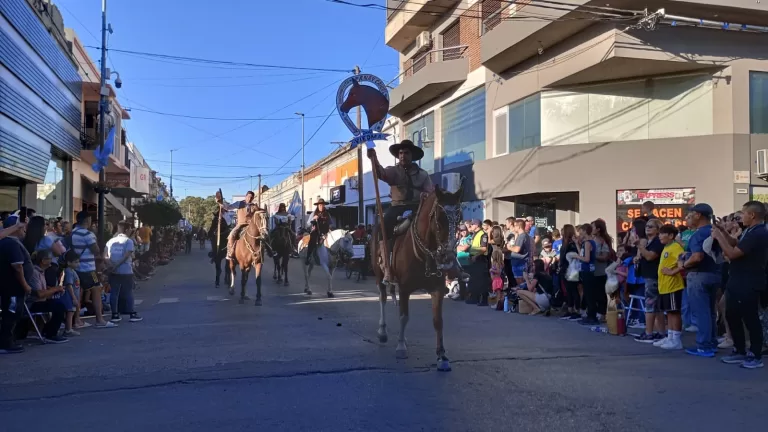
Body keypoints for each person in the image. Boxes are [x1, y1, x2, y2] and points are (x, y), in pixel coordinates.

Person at [367, 139, 434, 284]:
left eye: (406, 153)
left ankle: (441, 265)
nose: (403, 155)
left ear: (412, 155)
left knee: (435, 226)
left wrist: (427, 195)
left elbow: (430, 191)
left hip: (418, 207)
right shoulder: (393, 171)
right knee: (382, 228)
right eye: (401, 153)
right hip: (397, 207)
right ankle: (386, 268)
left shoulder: (423, 174)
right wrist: (374, 158)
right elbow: (380, 173)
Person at [712, 201, 767, 369]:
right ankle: (739, 350)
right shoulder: (748, 231)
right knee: (732, 315)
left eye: (743, 214)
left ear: (752, 215)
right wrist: (723, 231)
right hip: (737, 280)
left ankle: (755, 354)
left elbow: (732, 253)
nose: (740, 217)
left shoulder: (758, 233)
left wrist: (718, 237)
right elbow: (736, 244)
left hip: (749, 281)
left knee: (750, 318)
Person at [679, 203, 721, 357]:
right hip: (714, 273)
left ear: (698, 215)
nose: (689, 217)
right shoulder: (714, 231)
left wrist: (684, 264)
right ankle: (711, 343)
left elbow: (697, 256)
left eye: (691, 214)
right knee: (710, 312)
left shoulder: (698, 234)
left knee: (702, 312)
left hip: (699, 275)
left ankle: (704, 345)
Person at [71, 211, 116, 328]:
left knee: (78, 293)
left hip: (75, 267)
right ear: (87, 221)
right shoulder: (88, 234)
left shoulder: (73, 233)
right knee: (96, 290)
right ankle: (99, 319)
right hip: (88, 268)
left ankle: (76, 320)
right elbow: (95, 250)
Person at [0, 216, 32, 353]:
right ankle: (5, 343)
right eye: (22, 228)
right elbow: (17, 267)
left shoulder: (6, 242)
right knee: (12, 313)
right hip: (13, 286)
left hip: (9, 286)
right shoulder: (11, 244)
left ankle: (8, 340)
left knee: (11, 312)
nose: (24, 231)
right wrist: (25, 285)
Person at [23, 249, 68, 343]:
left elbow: (43, 289)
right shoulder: (34, 272)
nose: (51, 261)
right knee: (59, 306)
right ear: (43, 260)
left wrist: (52, 289)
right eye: (50, 259)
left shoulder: (41, 272)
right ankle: (50, 333)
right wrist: (56, 289)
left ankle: (48, 330)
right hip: (32, 303)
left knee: (59, 304)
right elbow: (39, 294)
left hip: (40, 301)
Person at [105, 221, 142, 323]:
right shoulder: (128, 241)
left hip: (113, 271)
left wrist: (111, 265)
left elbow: (105, 256)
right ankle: (132, 313)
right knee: (128, 292)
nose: (131, 230)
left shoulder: (111, 241)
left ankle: (115, 314)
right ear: (126, 230)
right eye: (130, 229)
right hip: (126, 271)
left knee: (114, 293)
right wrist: (117, 264)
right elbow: (126, 256)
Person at [657, 224, 685, 350]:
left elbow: (682, 263)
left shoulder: (675, 247)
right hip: (664, 286)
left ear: (671, 236)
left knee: (674, 312)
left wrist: (672, 272)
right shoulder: (666, 248)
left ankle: (676, 339)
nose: (660, 236)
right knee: (669, 312)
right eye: (660, 233)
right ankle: (670, 336)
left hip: (673, 285)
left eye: (663, 233)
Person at [218, 191, 268, 260]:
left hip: (251, 225)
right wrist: (221, 203)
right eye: (248, 197)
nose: (250, 198)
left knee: (263, 235)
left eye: (251, 197)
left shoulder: (254, 206)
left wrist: (264, 210)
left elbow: (261, 211)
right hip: (241, 224)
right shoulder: (240, 203)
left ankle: (269, 250)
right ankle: (230, 252)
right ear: (246, 196)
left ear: (253, 198)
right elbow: (228, 207)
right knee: (231, 235)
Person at [305, 198, 331, 265]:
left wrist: (329, 229)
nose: (321, 206)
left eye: (323, 205)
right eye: (320, 205)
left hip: (325, 232)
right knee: (312, 242)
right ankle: (308, 257)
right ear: (317, 206)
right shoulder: (313, 213)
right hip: (316, 231)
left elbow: (330, 223)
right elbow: (308, 224)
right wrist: (314, 218)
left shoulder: (327, 214)